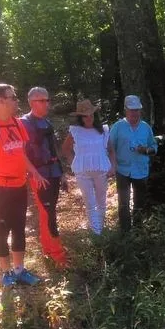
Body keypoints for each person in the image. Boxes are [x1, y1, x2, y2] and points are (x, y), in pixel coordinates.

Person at [0, 83, 47, 287]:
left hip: (19, 184)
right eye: (12, 97)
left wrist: (34, 171)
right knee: (2, 229)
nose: (16, 101)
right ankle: (6, 273)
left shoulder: (17, 123)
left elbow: (21, 154)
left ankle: (20, 270)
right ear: (1, 101)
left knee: (19, 227)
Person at [20, 87, 67, 266]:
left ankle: (48, 248)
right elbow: (20, 153)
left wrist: (62, 173)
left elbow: (53, 149)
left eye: (47, 100)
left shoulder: (46, 123)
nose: (47, 104)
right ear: (31, 102)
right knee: (49, 213)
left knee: (47, 212)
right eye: (42, 100)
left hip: (53, 172)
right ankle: (58, 256)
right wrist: (34, 173)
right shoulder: (23, 123)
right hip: (39, 175)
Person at [62, 99, 116, 235]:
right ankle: (96, 233)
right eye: (85, 116)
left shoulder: (103, 130)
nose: (89, 118)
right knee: (90, 203)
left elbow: (111, 150)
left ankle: (100, 229)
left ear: (94, 115)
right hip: (83, 173)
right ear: (81, 117)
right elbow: (66, 149)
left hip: (101, 170)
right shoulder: (75, 131)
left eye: (91, 115)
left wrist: (113, 166)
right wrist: (74, 163)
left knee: (101, 202)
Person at [108, 95, 157, 231]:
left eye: (137, 110)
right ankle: (125, 232)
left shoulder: (145, 127)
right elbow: (110, 148)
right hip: (122, 170)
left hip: (141, 170)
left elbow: (154, 146)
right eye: (131, 110)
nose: (134, 113)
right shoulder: (118, 127)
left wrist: (146, 150)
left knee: (139, 202)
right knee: (123, 203)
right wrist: (112, 166)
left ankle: (138, 231)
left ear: (140, 110)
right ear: (126, 110)